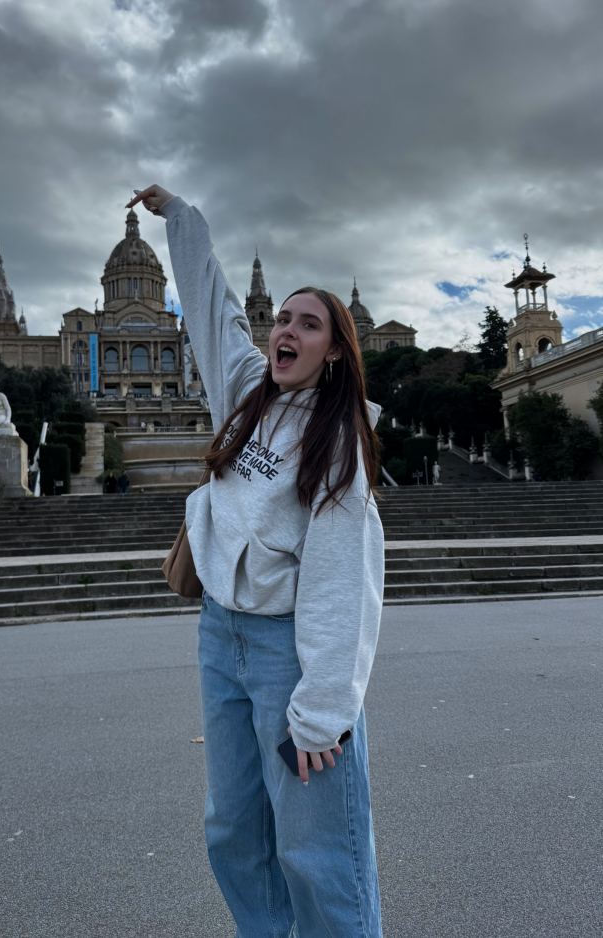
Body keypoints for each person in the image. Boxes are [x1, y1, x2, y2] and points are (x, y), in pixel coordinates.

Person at [127, 185, 385, 937]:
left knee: (317, 846)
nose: (287, 330)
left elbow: (345, 583)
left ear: (334, 352)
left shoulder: (337, 444)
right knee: (234, 830)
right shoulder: (244, 391)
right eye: (283, 318)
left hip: (287, 650)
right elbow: (212, 308)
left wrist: (324, 712)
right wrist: (181, 217)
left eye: (309, 324)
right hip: (220, 634)